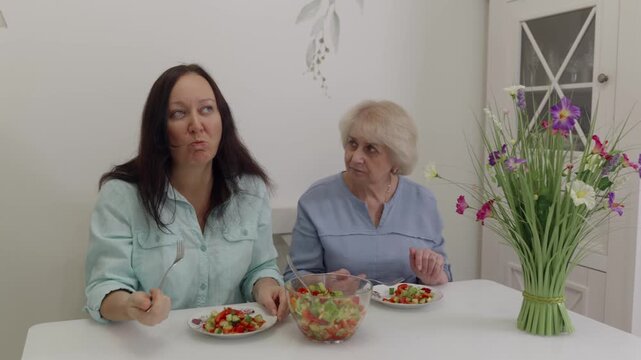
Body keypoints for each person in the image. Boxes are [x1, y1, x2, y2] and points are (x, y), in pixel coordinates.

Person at [85, 64, 287, 326]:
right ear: (159, 129)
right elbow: (103, 286)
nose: (196, 125)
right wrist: (130, 306)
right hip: (151, 346)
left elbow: (260, 268)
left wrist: (266, 287)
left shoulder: (249, 189)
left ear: (222, 119)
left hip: (233, 343)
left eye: (206, 109)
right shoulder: (121, 195)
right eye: (179, 114)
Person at [284, 100, 452, 285]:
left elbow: (443, 273)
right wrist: (325, 284)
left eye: (371, 149)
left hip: (409, 312)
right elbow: (294, 277)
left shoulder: (423, 201)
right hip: (342, 311)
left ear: (396, 159)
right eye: (352, 144)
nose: (355, 158)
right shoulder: (315, 200)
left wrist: (433, 277)